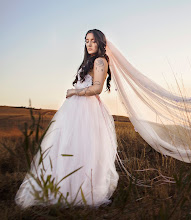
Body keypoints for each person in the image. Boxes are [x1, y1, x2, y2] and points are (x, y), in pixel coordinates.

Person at [15, 29, 119, 208]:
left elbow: (97, 89)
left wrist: (74, 92)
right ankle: (65, 187)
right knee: (67, 145)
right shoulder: (88, 62)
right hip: (75, 108)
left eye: (93, 40)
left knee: (85, 148)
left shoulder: (101, 61)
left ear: (100, 42)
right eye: (86, 40)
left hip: (88, 109)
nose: (89, 44)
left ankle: (83, 190)